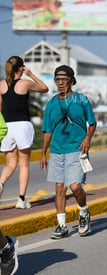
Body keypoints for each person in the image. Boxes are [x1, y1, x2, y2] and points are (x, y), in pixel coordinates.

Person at [40, 65, 97, 239]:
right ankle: (62, 225)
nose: (60, 83)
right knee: (59, 189)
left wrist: (87, 138)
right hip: (57, 150)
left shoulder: (81, 100)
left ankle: (83, 212)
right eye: (57, 80)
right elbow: (48, 130)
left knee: (75, 186)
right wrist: (43, 152)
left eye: (63, 80)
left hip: (76, 149)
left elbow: (92, 123)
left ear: (72, 81)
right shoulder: (51, 103)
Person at [0, 56, 49, 208]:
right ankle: (21, 200)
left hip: (7, 126)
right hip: (22, 126)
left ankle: (0, 183)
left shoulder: (1, 85)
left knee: (10, 164)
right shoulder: (25, 83)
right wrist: (31, 74)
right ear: (21, 68)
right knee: (24, 165)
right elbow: (44, 88)